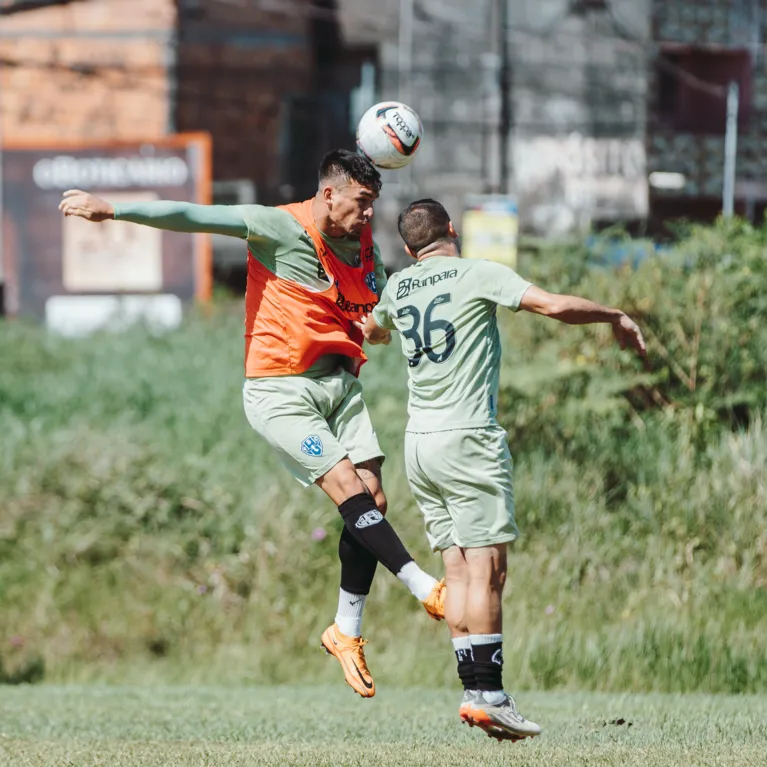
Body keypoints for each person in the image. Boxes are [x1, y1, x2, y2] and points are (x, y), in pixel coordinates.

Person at [58, 151, 446, 700]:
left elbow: (376, 309)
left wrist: (377, 329)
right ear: (330, 194)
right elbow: (195, 215)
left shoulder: (363, 248)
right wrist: (114, 210)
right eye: (362, 203)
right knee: (348, 491)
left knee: (374, 501)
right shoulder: (277, 226)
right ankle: (426, 588)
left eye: (373, 204)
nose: (368, 214)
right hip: (281, 391)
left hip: (340, 386)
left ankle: (346, 631)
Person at [361, 198, 647, 740]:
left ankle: (475, 694)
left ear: (407, 248)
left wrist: (375, 325)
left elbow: (373, 331)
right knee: (488, 571)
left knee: (461, 573)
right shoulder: (479, 273)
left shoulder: (398, 288)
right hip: (468, 439)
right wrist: (614, 314)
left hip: (419, 447)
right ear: (452, 230)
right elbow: (554, 306)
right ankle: (490, 695)